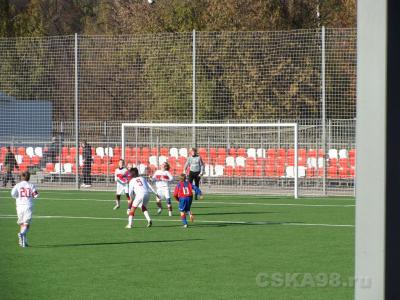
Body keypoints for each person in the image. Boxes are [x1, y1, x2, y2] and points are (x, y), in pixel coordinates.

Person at [11, 171, 39, 248]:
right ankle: (22, 234)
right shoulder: (31, 185)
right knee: (27, 224)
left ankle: (23, 242)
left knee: (22, 224)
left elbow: (13, 194)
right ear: (29, 177)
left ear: (21, 177)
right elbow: (36, 195)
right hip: (28, 205)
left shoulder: (18, 185)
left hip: (19, 206)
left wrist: (18, 197)